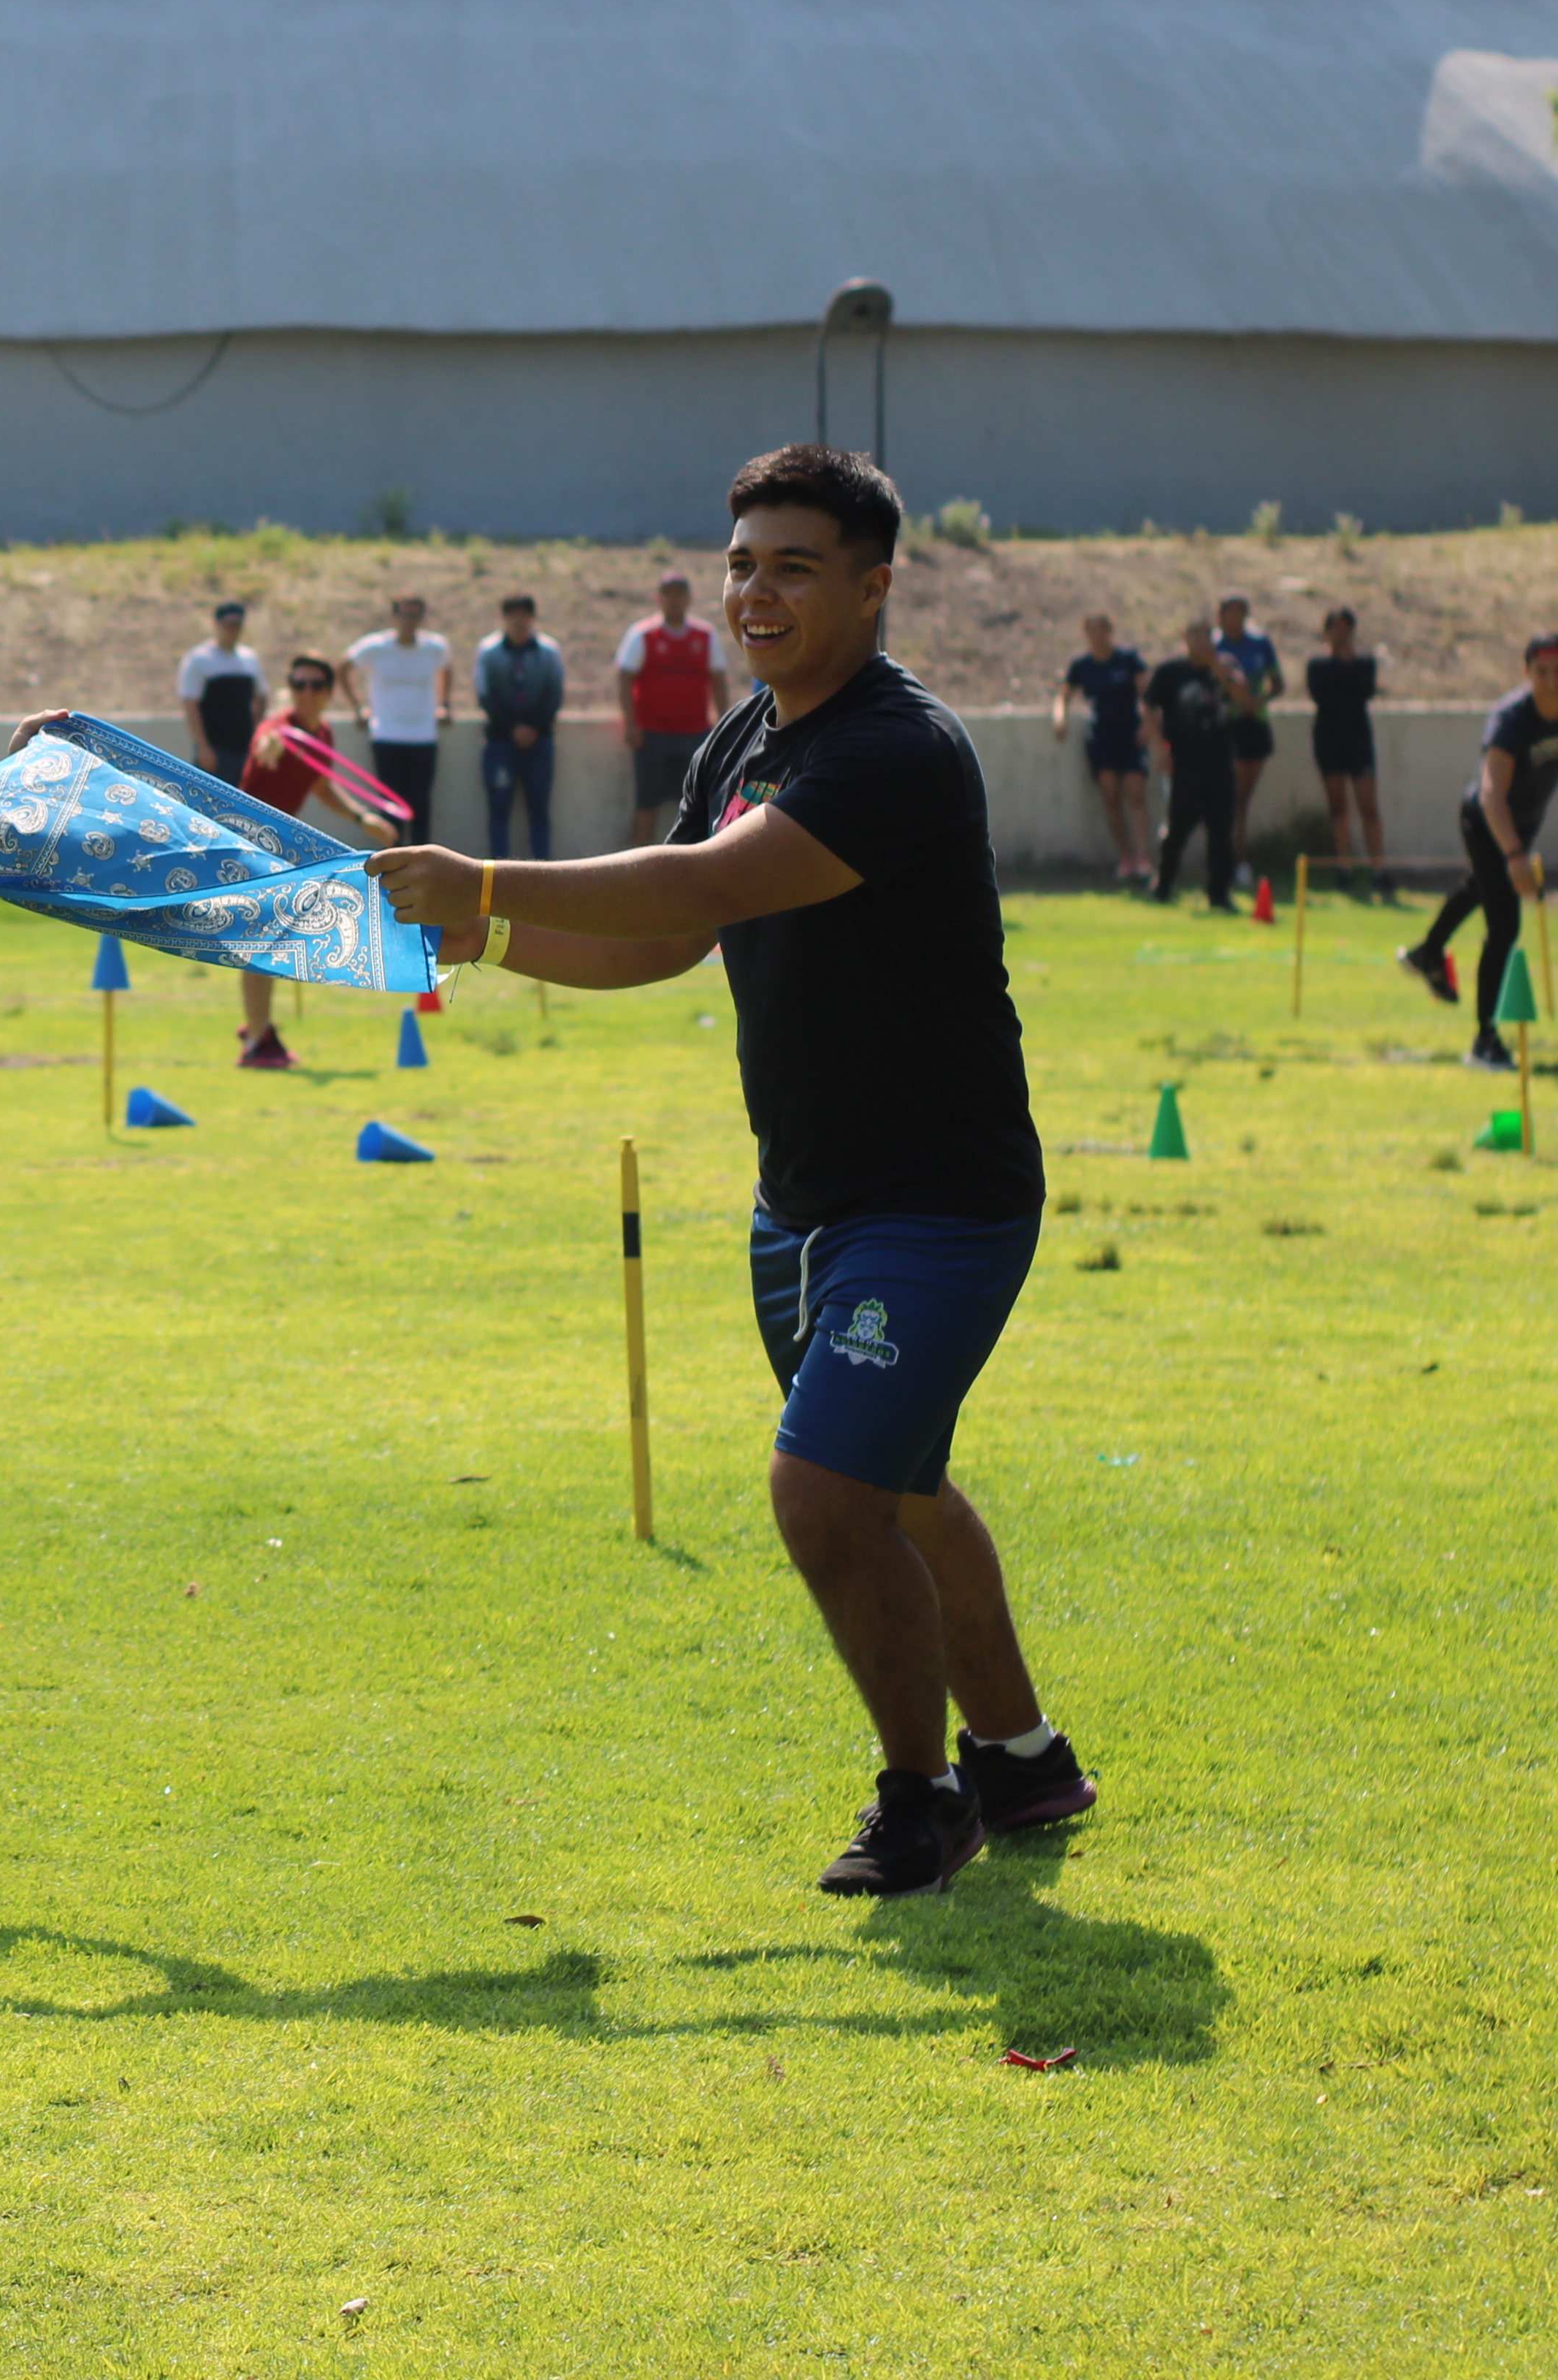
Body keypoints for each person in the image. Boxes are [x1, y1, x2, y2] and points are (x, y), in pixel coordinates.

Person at [367, 445, 1092, 1897]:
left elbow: (704, 881)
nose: (755, 591)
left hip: (936, 1205)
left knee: (825, 1495)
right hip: (801, 1206)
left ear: (874, 586)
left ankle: (922, 1793)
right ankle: (1023, 1760)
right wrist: (486, 938)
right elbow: (668, 938)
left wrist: (494, 879)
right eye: (743, 561)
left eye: (794, 565)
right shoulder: (742, 739)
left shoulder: (897, 749)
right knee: (899, 1489)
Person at [1407, 633, 1558, 1070]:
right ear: (1527, 674)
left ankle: (1428, 952)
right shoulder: (1512, 721)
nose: (1551, 681)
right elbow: (1492, 795)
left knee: (1480, 889)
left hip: (1521, 826)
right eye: (1542, 672)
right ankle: (1484, 1041)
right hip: (1486, 822)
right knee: (1504, 926)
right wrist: (1514, 856)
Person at [229, 656, 400, 1071]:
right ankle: (256, 1043)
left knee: (269, 942)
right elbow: (267, 743)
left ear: (328, 692)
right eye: (298, 683)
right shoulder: (278, 729)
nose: (306, 692)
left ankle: (257, 1024)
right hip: (248, 845)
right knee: (262, 942)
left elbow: (320, 786)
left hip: (276, 850)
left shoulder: (321, 734)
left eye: (316, 685)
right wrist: (268, 743)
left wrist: (363, 818)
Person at [614, 569, 741, 846]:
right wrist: (631, 724)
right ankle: (635, 877)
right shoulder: (643, 635)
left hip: (695, 735)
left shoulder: (705, 635)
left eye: (679, 595)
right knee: (647, 807)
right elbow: (624, 678)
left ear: (688, 599)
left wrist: (723, 727)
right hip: (652, 736)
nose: (674, 601)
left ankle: (695, 873)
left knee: (701, 809)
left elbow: (718, 680)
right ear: (658, 599)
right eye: (668, 595)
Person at [1143, 614, 1242, 912]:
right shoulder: (1171, 672)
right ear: (1185, 639)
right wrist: (1160, 749)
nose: (1202, 641)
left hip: (1220, 760)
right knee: (1178, 827)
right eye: (1195, 635)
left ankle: (1219, 893)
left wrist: (1217, 669)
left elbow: (1243, 696)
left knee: (1222, 830)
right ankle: (1164, 884)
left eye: (1207, 635)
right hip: (1185, 762)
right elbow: (1148, 706)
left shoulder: (1226, 666)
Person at [343, 589, 453, 840]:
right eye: (404, 614)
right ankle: (393, 866)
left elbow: (446, 669)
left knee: (421, 805)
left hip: (424, 736)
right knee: (390, 806)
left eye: (415, 615)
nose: (409, 621)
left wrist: (443, 703)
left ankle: (423, 866)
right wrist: (358, 707)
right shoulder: (376, 646)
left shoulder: (434, 647)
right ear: (394, 616)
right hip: (387, 734)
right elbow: (344, 667)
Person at [1052, 616, 1150, 887]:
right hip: (1101, 738)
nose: (1097, 636)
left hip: (1129, 735)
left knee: (1136, 792)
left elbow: (1146, 693)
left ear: (1110, 631)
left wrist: (1148, 723)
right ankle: (1126, 858)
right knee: (1111, 797)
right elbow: (1064, 695)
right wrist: (1060, 719)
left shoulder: (1128, 659)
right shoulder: (1082, 664)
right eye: (1091, 631)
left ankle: (1144, 858)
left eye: (1102, 630)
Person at [473, 594, 566, 861]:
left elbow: (555, 694)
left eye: (524, 614)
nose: (519, 621)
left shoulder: (548, 652)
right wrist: (512, 728)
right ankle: (498, 874)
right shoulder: (490, 652)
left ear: (532, 617)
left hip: (540, 743)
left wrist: (535, 728)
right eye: (513, 615)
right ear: (504, 618)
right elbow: (485, 695)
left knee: (539, 809)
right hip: (500, 743)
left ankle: (543, 872)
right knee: (499, 808)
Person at [1304, 607, 1388, 893]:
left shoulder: (1364, 663)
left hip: (1358, 740)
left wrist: (1348, 665)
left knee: (1369, 807)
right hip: (1329, 740)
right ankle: (1344, 867)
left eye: (1345, 629)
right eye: (1335, 628)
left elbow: (1365, 692)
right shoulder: (1317, 665)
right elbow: (1320, 695)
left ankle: (1378, 868)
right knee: (1338, 807)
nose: (1341, 634)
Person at [1214, 592, 1286, 832]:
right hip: (1227, 725)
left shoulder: (1260, 643)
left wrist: (1259, 700)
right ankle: (1236, 856)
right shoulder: (1215, 646)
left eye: (1239, 611)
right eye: (1229, 612)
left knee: (1242, 797)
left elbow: (1278, 684)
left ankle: (1238, 854)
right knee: (1233, 796)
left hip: (1255, 723)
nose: (1235, 617)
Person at [180, 601, 267, 779]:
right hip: (216, 749)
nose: (232, 631)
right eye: (228, 626)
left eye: (237, 626)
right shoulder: (200, 660)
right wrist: (203, 747)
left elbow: (262, 696)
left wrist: (258, 731)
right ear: (217, 625)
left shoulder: (249, 658)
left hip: (245, 748)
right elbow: (190, 704)